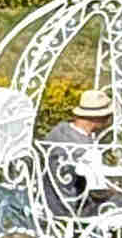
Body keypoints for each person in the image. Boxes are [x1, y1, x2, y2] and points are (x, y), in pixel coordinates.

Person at [40, 88, 116, 218]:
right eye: (108, 117)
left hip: (46, 199)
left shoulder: (58, 131)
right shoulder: (84, 149)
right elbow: (97, 191)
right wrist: (114, 190)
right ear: (97, 119)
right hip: (71, 206)